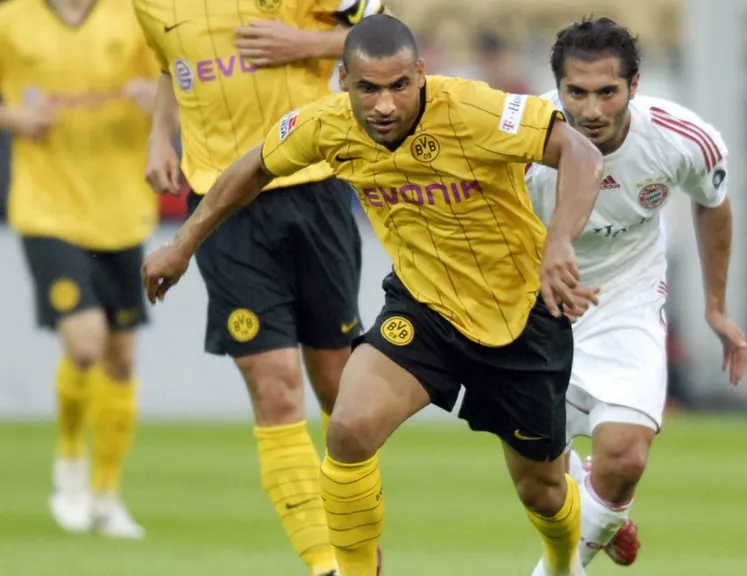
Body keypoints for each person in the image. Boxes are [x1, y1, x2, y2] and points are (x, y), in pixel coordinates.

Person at [142, 14, 605, 576]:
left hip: (521, 317)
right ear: (343, 81)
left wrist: (559, 241)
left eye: (398, 86)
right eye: (368, 88)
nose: (384, 104)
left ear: (421, 74)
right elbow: (254, 166)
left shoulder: (473, 109)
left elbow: (581, 153)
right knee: (349, 429)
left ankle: (563, 560)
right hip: (424, 311)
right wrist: (181, 245)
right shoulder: (328, 124)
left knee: (542, 492)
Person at [132, 0, 382, 574]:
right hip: (223, 203)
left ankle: (357, 550)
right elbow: (172, 64)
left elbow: (384, 40)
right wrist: (159, 136)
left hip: (313, 185)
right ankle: (325, 563)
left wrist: (305, 44)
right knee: (274, 387)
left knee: (341, 393)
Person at [524, 17, 747, 571]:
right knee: (540, 486)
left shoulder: (680, 138)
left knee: (624, 458)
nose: (592, 110)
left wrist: (716, 307)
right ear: (557, 87)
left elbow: (712, 204)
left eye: (607, 92)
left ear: (634, 85)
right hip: (536, 302)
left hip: (627, 296)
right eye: (576, 93)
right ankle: (602, 511)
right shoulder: (520, 139)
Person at [0, 0, 158, 539]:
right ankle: (69, 466)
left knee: (121, 358)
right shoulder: (12, 19)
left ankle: (106, 496)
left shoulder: (133, 17)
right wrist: (12, 118)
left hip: (122, 210)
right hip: (46, 207)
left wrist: (158, 98)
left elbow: (185, 84)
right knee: (86, 342)